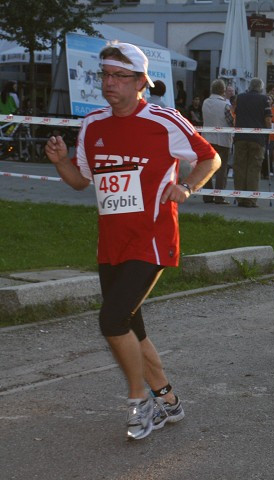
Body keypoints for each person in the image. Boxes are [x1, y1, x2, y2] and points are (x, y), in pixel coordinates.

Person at [43, 42, 220, 440]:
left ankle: (140, 404)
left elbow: (210, 158)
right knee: (131, 327)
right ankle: (169, 401)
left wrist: (187, 187)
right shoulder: (92, 125)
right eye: (104, 75)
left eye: (119, 76)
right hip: (112, 243)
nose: (109, 83)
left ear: (141, 82)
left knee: (111, 319)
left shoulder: (164, 120)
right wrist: (61, 163)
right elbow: (80, 181)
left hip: (153, 239)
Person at [232, 77, 271, 206]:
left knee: (240, 167)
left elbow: (236, 114)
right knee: (254, 168)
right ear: (260, 87)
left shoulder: (240, 97)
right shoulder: (264, 99)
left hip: (240, 137)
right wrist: (268, 133)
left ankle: (240, 197)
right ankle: (251, 199)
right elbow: (267, 119)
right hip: (257, 138)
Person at [201, 78, 234, 204]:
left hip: (207, 138)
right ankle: (219, 196)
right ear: (223, 91)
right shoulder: (225, 105)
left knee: (208, 167)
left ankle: (207, 195)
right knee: (221, 168)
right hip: (222, 139)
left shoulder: (205, 102)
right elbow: (231, 122)